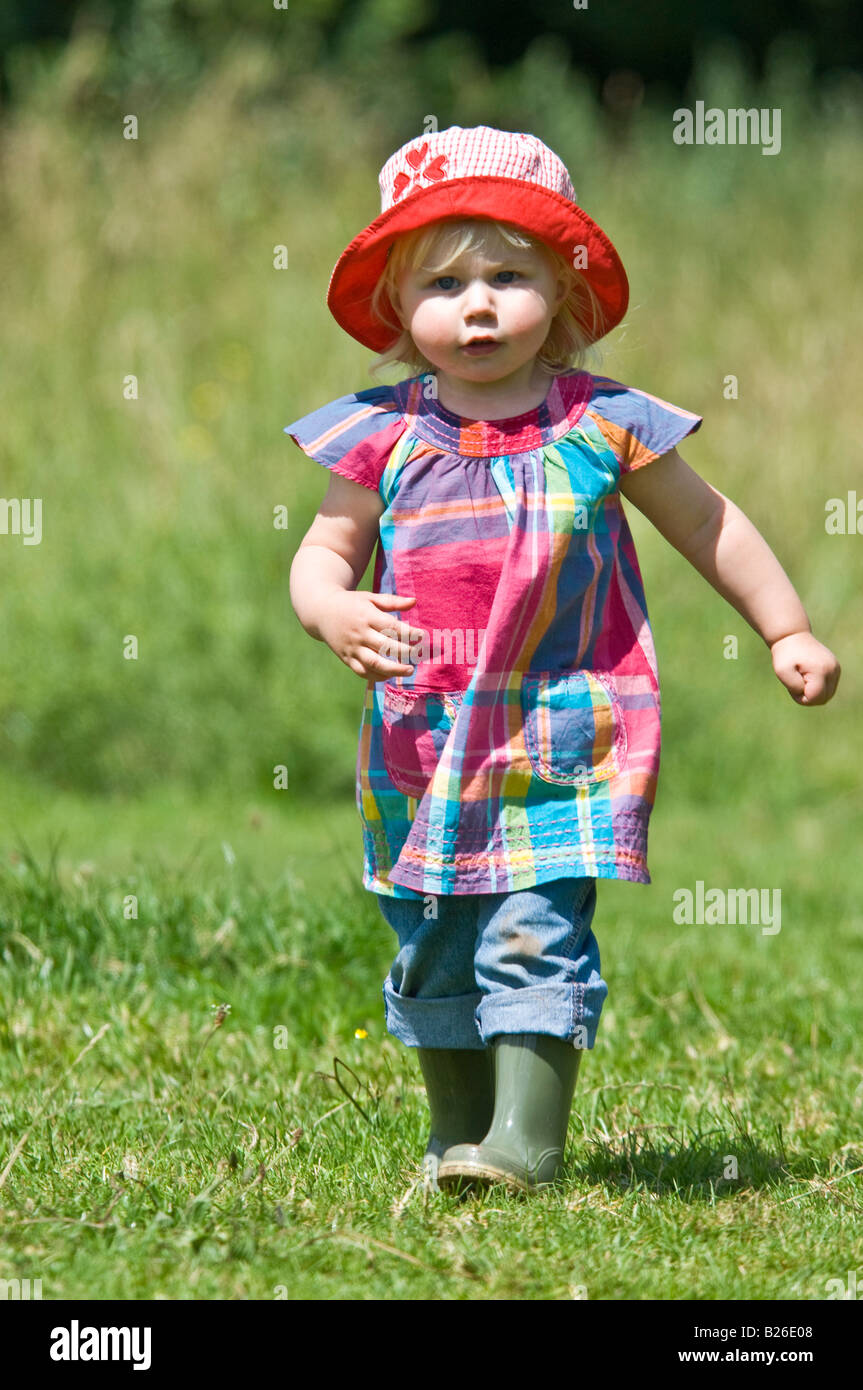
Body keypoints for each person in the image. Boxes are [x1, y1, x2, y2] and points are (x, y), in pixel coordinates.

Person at [285, 125, 840, 1195]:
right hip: (422, 740)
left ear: (564, 293)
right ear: (400, 308)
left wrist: (785, 626)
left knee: (534, 931)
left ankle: (526, 1144)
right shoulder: (376, 433)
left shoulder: (600, 422)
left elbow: (706, 523)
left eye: (507, 275)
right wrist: (329, 609)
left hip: (565, 733)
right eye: (443, 282)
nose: (477, 303)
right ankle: (458, 1136)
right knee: (435, 936)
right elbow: (322, 552)